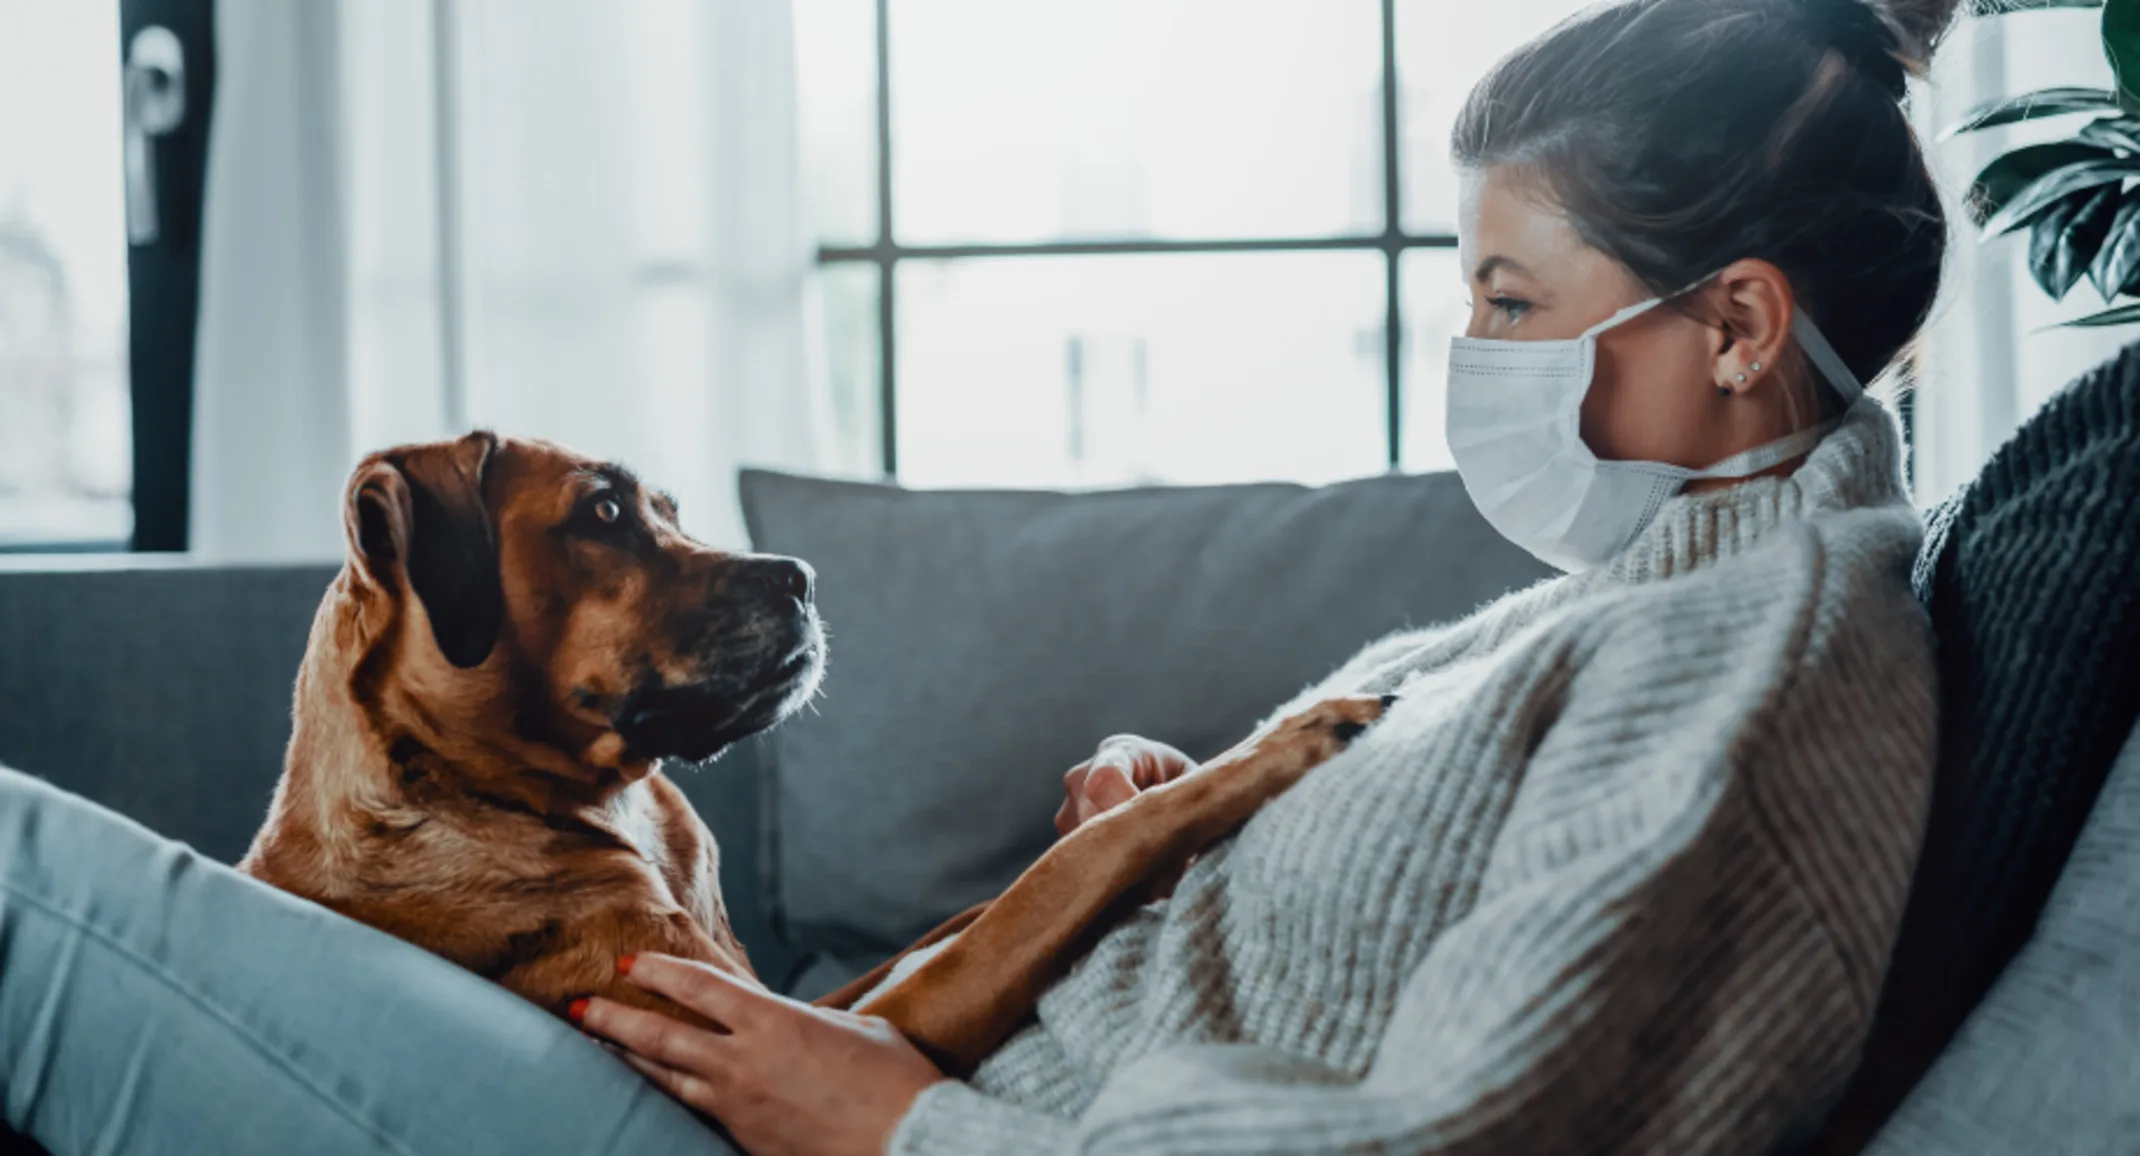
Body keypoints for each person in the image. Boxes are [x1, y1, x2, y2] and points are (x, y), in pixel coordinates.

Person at [0, 0, 1959, 1151]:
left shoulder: (1751, 662)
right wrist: (1192, 820)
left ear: (1731, 324)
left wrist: (894, 1121)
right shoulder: (1640, 591)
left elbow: (1448, 1132)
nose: (1471, 352)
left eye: (1511, 299)